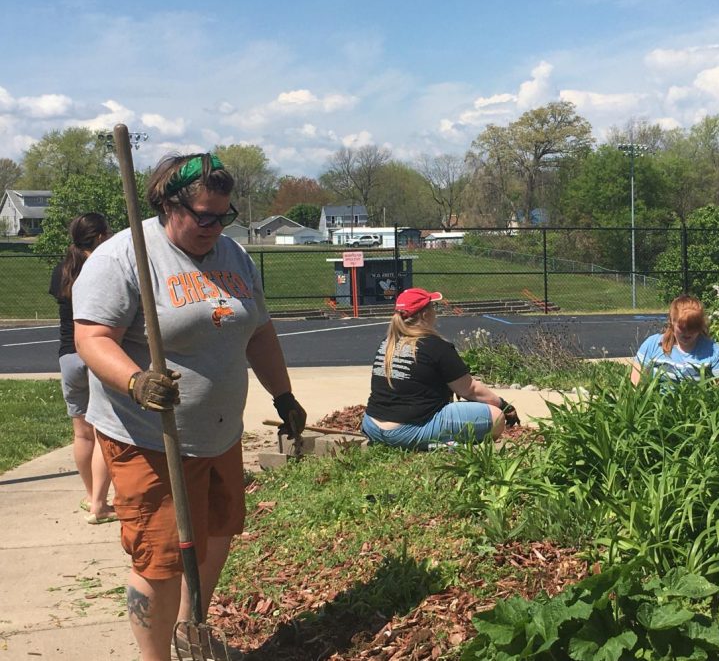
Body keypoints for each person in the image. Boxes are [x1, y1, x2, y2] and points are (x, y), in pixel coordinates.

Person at [72, 153, 307, 661]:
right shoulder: (124, 257)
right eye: (204, 216)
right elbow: (91, 337)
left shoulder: (234, 256)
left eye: (224, 216)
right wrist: (137, 381)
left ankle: (189, 631)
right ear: (167, 204)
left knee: (217, 531)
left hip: (219, 433)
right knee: (160, 559)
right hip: (151, 437)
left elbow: (259, 332)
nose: (215, 226)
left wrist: (283, 395)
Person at [361, 288, 519, 450]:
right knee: (495, 417)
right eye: (432, 307)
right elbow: (470, 390)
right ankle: (439, 444)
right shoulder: (436, 346)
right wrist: (503, 405)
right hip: (405, 431)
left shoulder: (387, 343)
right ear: (425, 314)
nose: (435, 312)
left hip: (373, 426)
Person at [49, 212, 116, 524]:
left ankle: (91, 495)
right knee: (105, 431)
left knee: (82, 434)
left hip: (67, 355)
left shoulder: (62, 270)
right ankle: (100, 505)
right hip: (95, 352)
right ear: (100, 236)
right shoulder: (104, 267)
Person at [630, 295, 719, 385]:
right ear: (672, 321)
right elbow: (636, 380)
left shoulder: (714, 351)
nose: (687, 332)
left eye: (693, 327)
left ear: (701, 325)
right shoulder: (652, 344)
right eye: (682, 327)